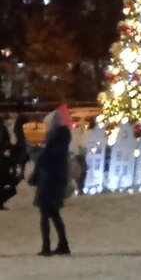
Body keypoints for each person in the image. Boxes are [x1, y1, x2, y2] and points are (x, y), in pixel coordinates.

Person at [30, 107, 71, 256]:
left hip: (50, 180)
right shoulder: (60, 138)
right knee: (53, 212)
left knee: (45, 212)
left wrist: (35, 152)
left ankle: (47, 246)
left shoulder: (55, 139)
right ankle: (63, 244)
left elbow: (46, 158)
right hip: (55, 179)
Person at [0, 112, 18, 209]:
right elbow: (4, 143)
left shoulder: (3, 128)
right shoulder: (2, 128)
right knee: (11, 185)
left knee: (8, 184)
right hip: (2, 162)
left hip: (3, 161)